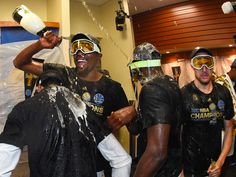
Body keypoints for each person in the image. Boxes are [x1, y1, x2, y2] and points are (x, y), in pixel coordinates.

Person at [13, 31, 135, 177]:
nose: (78, 52)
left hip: (95, 164)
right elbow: (19, 63)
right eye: (75, 47)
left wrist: (133, 112)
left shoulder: (112, 88)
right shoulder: (63, 74)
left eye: (85, 46)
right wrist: (39, 45)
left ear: (99, 56)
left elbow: (134, 129)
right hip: (60, 159)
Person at [0, 70, 132, 177]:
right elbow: (122, 160)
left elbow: (2, 167)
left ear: (39, 87)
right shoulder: (84, 111)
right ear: (67, 88)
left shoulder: (24, 110)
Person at [127, 42, 183, 177]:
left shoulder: (151, 90)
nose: (136, 76)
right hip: (174, 167)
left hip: (159, 171)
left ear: (140, 67)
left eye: (135, 70)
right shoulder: (171, 83)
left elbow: (157, 153)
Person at [181, 47, 234, 177]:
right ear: (192, 66)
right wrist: (180, 169)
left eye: (208, 62)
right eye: (199, 63)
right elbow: (176, 134)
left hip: (214, 164)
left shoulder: (223, 92)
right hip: (190, 166)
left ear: (212, 65)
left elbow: (229, 129)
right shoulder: (183, 94)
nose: (204, 69)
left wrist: (220, 162)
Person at [215, 59, 236, 176]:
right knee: (223, 165)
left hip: (230, 131)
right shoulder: (220, 83)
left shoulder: (231, 83)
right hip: (222, 133)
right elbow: (218, 113)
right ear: (233, 69)